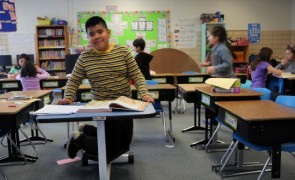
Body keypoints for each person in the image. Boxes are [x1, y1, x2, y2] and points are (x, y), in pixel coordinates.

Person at [57, 16, 154, 162]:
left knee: (125, 143)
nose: (96, 36)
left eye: (100, 32)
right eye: (92, 34)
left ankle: (87, 129)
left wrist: (144, 94)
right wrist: (68, 96)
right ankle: (78, 139)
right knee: (111, 148)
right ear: (88, 37)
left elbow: (138, 75)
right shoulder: (85, 58)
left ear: (108, 32)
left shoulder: (123, 52)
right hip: (102, 107)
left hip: (124, 105)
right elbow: (74, 79)